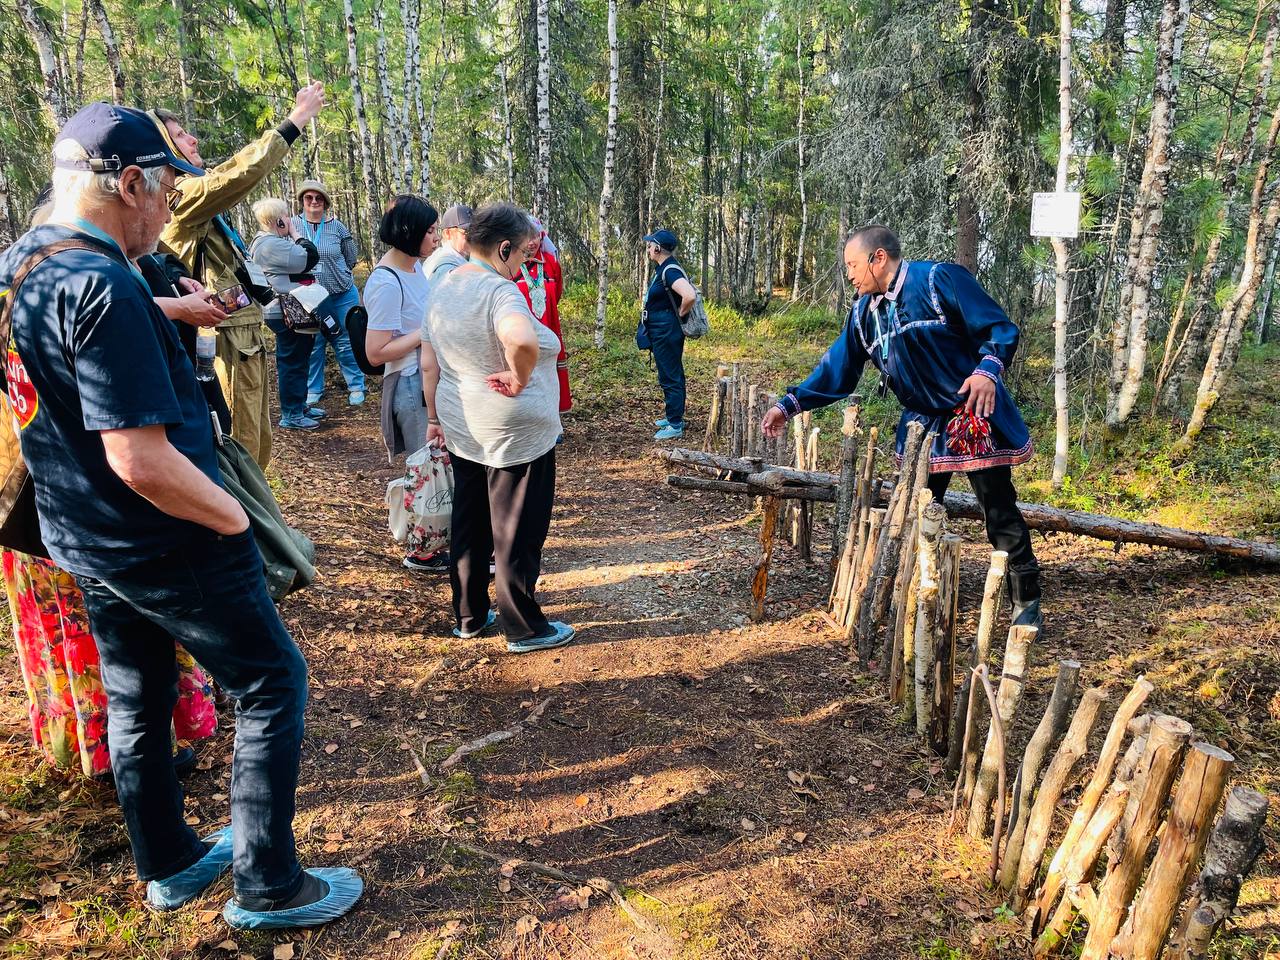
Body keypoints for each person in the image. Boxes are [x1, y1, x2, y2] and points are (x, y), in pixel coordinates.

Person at [0, 102, 361, 928]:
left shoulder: (26, 264)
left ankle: (166, 860)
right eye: (165, 192)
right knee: (273, 683)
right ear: (127, 183)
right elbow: (141, 459)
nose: (169, 212)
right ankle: (268, 884)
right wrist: (231, 517)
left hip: (84, 537)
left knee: (138, 696)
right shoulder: (101, 284)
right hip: (167, 537)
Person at [761, 225, 1042, 631]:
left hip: (971, 413)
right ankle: (911, 593)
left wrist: (988, 370)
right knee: (912, 509)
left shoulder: (937, 280)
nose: (851, 276)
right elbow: (837, 370)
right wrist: (790, 405)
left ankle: (1026, 598)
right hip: (920, 425)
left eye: (854, 265)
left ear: (879, 258)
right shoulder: (863, 315)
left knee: (997, 506)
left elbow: (998, 328)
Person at [421, 202, 574, 654]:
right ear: (503, 247)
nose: (525, 263)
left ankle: (469, 616)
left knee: (470, 518)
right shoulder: (498, 291)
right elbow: (522, 339)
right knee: (516, 526)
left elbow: (429, 363)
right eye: (523, 255)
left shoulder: (443, 286)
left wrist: (434, 418)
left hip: (463, 419)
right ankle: (524, 626)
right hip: (514, 430)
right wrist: (520, 376)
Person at [150, 81, 327, 469]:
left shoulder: (202, 205)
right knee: (236, 449)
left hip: (244, 333)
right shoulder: (180, 196)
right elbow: (236, 175)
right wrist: (295, 121)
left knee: (257, 445)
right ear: (163, 149)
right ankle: (241, 523)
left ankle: (256, 518)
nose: (193, 139)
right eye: (180, 136)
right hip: (222, 338)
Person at [365, 195, 439, 469]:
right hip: (410, 383)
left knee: (437, 466)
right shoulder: (386, 282)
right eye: (430, 231)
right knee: (426, 471)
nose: (436, 238)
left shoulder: (414, 266)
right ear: (409, 232)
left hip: (426, 378)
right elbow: (375, 352)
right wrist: (427, 331)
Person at [249, 198, 326, 431]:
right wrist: (294, 232)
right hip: (286, 311)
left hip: (292, 309)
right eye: (286, 216)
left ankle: (299, 405)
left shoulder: (267, 242)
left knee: (299, 358)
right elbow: (309, 256)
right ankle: (291, 413)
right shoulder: (271, 244)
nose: (290, 219)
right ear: (277, 220)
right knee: (292, 361)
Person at [292, 180, 366, 409]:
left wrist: (339, 273)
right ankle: (313, 389)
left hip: (341, 293)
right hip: (309, 297)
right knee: (314, 343)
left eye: (318, 198)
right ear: (302, 201)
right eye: (308, 198)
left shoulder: (337, 227)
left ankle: (356, 386)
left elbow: (351, 257)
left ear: (325, 203)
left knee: (345, 341)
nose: (314, 202)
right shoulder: (292, 225)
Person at [638, 229, 696, 441]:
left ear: (658, 248)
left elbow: (689, 295)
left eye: (650, 244)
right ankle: (674, 415)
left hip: (667, 329)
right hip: (662, 328)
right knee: (670, 372)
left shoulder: (670, 270)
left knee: (670, 375)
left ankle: (675, 424)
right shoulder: (664, 268)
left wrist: (679, 314)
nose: (648, 248)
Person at [515, 217, 571, 418]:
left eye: (536, 236)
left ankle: (552, 418)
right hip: (521, 329)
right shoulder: (511, 265)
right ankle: (528, 416)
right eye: (526, 236)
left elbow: (557, 294)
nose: (532, 241)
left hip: (549, 327)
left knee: (549, 374)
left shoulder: (551, 265)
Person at [424, 202, 471, 279]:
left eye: (475, 231)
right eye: (467, 232)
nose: (473, 236)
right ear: (447, 233)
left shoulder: (454, 258)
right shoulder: (446, 266)